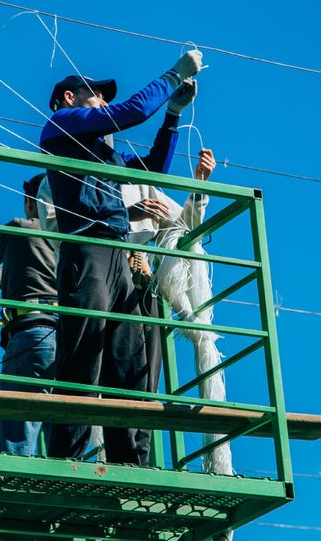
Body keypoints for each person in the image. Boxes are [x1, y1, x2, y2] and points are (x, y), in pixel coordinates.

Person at [39, 50, 203, 465]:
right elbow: (128, 113)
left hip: (117, 247)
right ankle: (68, 462)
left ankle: (131, 461)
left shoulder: (103, 154)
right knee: (83, 354)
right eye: (93, 94)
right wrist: (173, 75)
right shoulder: (61, 126)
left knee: (128, 358)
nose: (102, 101)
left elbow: (150, 170)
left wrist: (173, 115)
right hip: (87, 249)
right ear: (68, 100)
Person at [0, 173, 59, 455]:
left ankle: (9, 493)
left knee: (15, 432)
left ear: (32, 203)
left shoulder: (18, 228)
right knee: (63, 428)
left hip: (32, 332)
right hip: (71, 336)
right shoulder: (73, 238)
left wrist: (13, 278)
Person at [124, 148, 217, 395]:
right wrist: (128, 215)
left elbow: (183, 227)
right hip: (97, 288)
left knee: (145, 381)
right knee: (103, 376)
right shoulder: (60, 179)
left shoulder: (138, 186)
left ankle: (140, 428)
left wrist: (200, 184)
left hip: (142, 291)